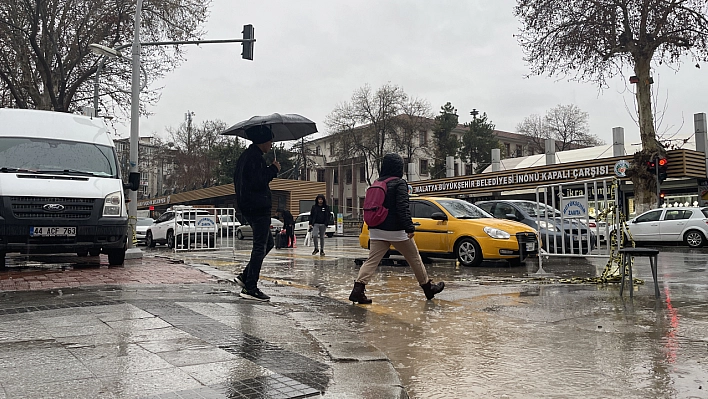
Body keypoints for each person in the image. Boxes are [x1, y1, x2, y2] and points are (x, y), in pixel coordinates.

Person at [348, 153, 444, 304]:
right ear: (399, 167)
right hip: (396, 231)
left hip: (376, 229)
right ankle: (428, 288)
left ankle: (358, 290)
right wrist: (409, 227)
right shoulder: (399, 183)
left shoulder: (377, 182)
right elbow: (402, 208)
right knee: (414, 258)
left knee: (371, 261)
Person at [232, 125, 280, 301]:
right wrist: (273, 169)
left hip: (250, 206)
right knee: (260, 246)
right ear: (263, 141)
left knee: (267, 243)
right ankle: (250, 287)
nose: (271, 145)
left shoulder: (248, 157)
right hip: (257, 207)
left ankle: (245, 277)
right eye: (270, 141)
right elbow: (258, 181)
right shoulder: (253, 158)